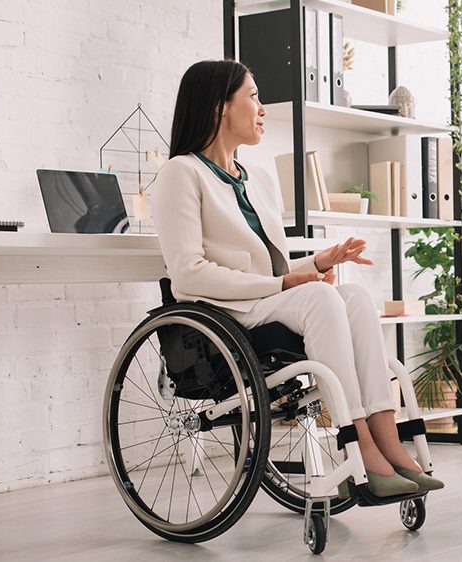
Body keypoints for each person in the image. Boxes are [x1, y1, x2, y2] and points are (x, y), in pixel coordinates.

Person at [152, 59, 443, 497]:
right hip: (228, 312)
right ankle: (357, 449)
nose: (262, 108)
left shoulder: (260, 180)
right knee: (323, 300)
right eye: (252, 96)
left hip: (268, 301)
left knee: (355, 297)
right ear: (218, 107)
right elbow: (188, 275)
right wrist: (285, 285)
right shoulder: (182, 173)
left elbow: (276, 272)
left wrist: (319, 264)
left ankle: (388, 440)